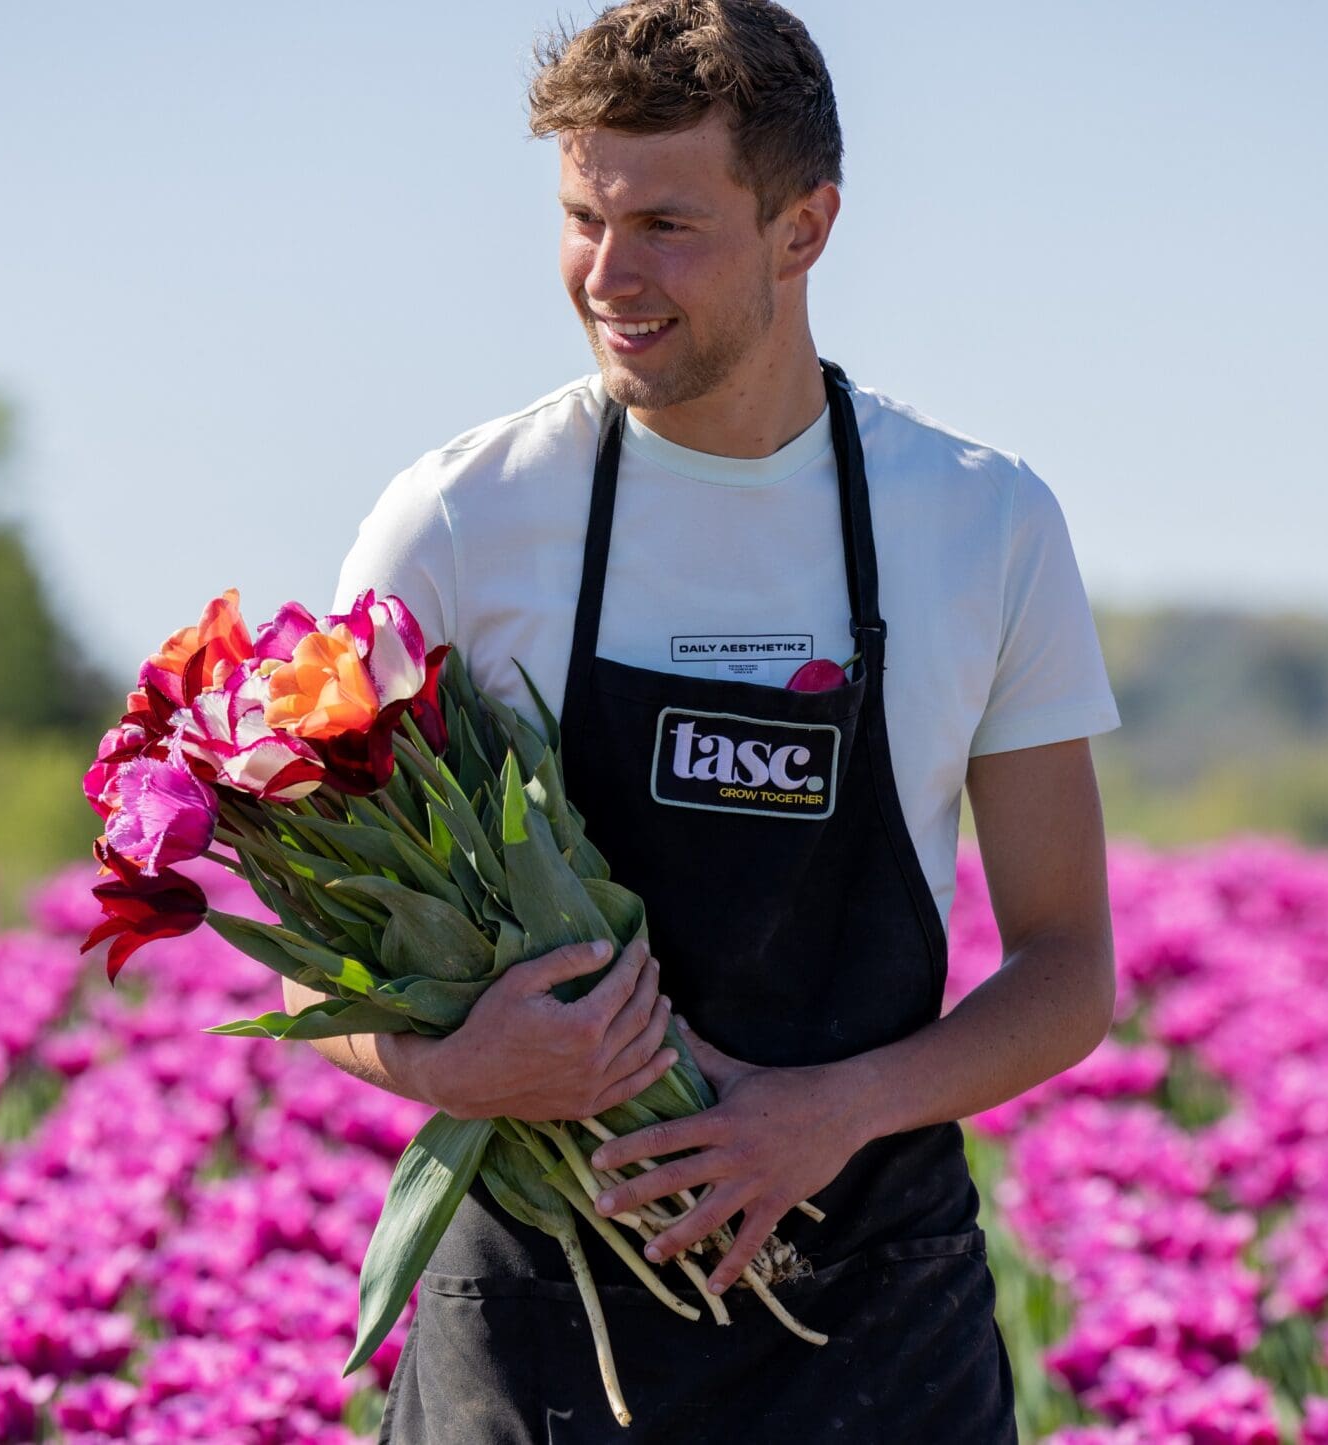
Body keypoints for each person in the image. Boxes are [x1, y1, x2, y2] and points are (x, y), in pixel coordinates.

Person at [288, 1, 1119, 1438]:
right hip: (540, 1326)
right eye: (580, 218)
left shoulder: (981, 523)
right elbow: (316, 966)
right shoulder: (460, 522)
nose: (610, 274)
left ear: (806, 227)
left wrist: (834, 1109)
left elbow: (1068, 964)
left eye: (666, 224)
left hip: (872, 1319)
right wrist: (447, 1067)